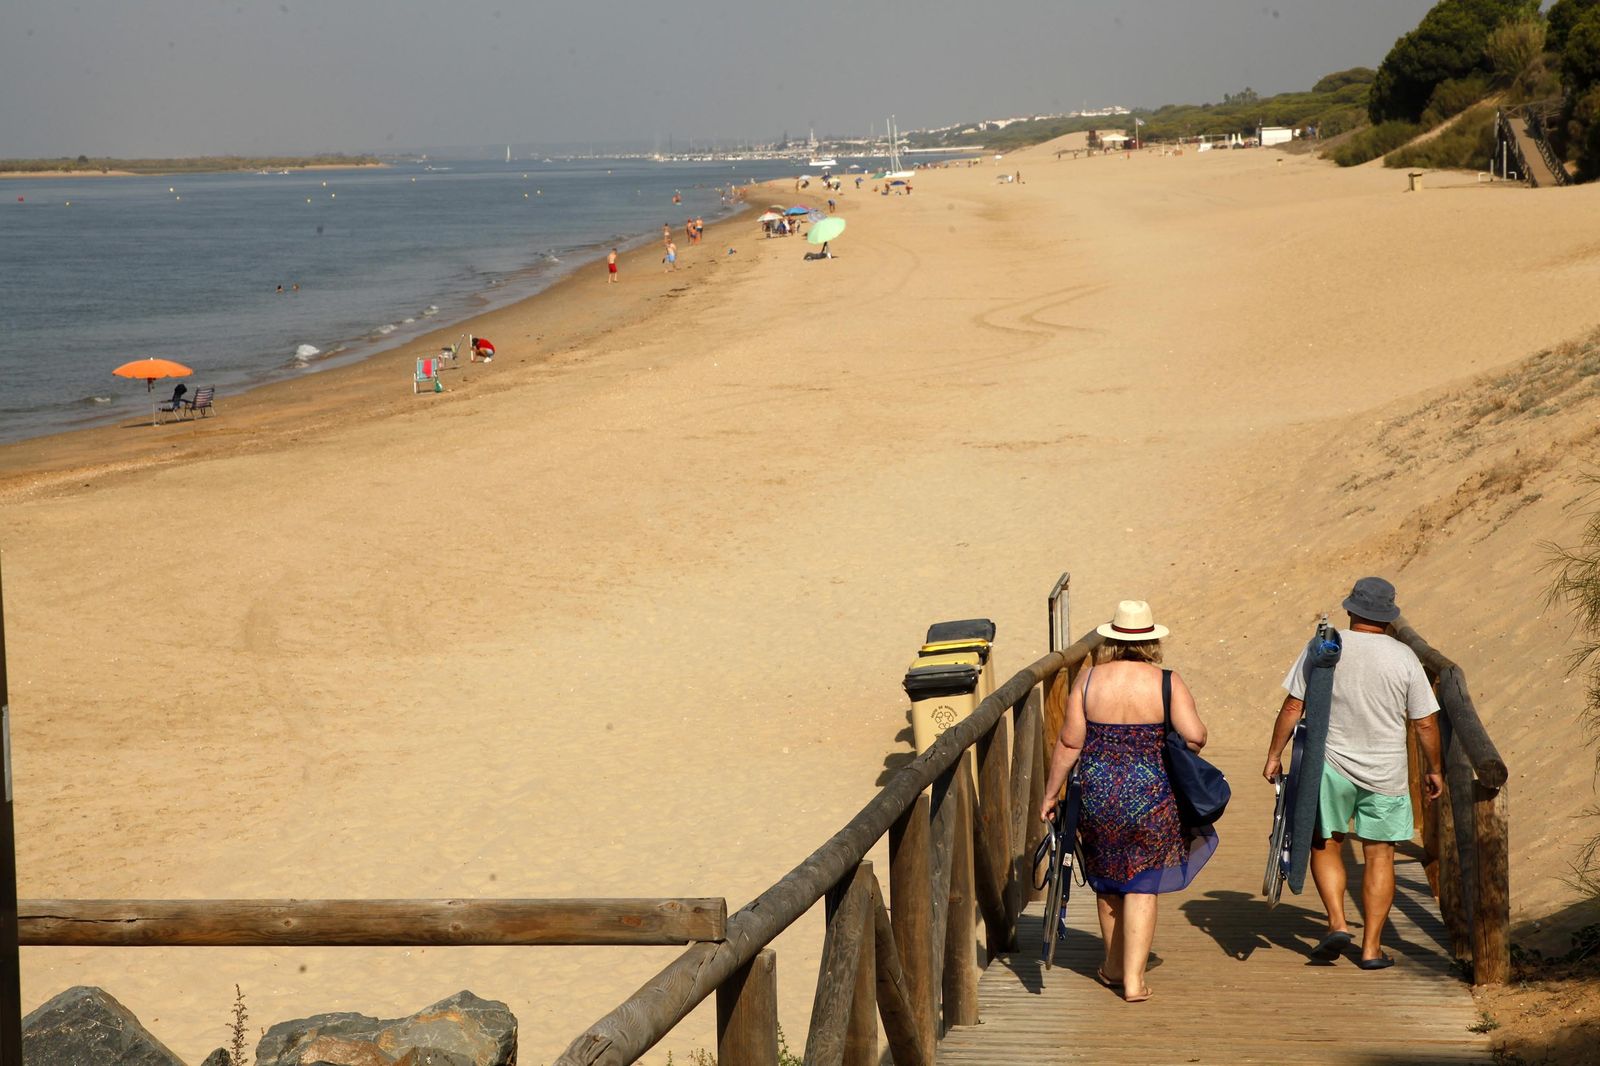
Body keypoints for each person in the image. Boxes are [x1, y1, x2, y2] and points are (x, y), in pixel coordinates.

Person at [1262, 577, 1443, 970]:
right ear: (1389, 617)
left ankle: (1337, 922)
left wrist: (1275, 754)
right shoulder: (1405, 658)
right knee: (1380, 856)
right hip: (1386, 770)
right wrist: (1434, 769)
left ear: (1351, 610)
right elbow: (1425, 724)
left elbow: (1294, 706)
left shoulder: (1325, 647)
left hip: (1330, 765)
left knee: (1325, 842)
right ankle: (1372, 948)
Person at [1040, 601, 1214, 1002]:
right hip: (1152, 791)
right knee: (1143, 882)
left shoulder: (1088, 681)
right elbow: (1196, 736)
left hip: (1099, 794)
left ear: (1110, 638)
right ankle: (1135, 981)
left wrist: (1051, 794)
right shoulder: (1166, 681)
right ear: (1152, 640)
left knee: (1107, 881)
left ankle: (1114, 967)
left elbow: (1069, 742)